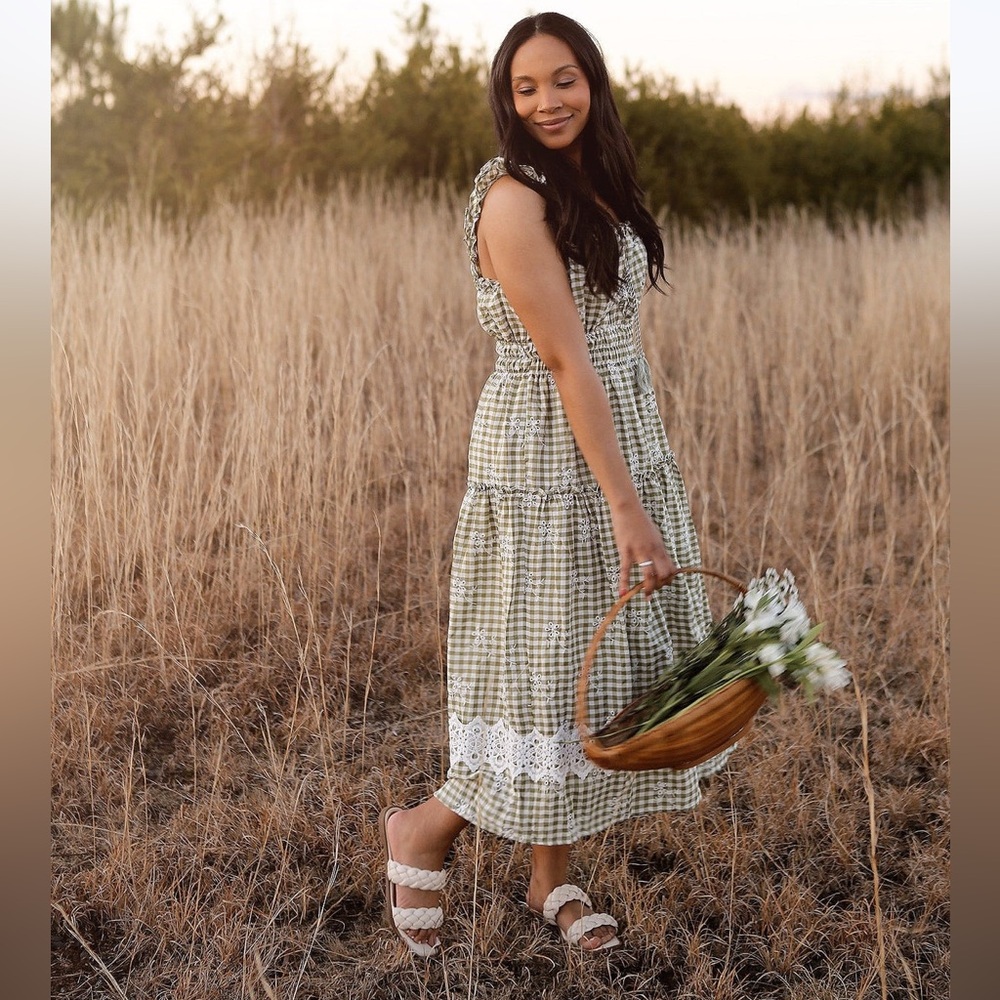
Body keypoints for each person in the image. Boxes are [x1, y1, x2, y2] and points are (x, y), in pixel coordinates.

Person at [379, 11, 733, 957]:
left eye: (564, 79)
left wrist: (635, 477)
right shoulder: (511, 198)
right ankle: (425, 826)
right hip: (546, 456)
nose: (547, 101)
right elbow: (567, 360)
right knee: (543, 674)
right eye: (525, 87)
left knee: (584, 661)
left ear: (594, 81)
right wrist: (628, 509)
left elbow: (609, 354)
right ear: (505, 98)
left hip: (612, 434)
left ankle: (551, 878)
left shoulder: (591, 182)